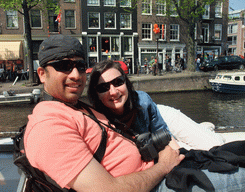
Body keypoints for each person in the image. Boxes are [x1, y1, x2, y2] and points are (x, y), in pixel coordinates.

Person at [24, 35, 245, 192]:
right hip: (157, 183)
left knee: (233, 153)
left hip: (161, 171)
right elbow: (107, 190)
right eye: (63, 66)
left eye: (80, 66)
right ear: (42, 74)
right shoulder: (48, 125)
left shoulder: (78, 107)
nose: (75, 74)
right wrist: (163, 166)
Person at [88, 59, 225, 150]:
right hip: (151, 137)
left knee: (215, 145)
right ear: (96, 95)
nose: (113, 92)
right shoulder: (97, 120)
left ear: (126, 83)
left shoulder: (143, 101)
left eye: (118, 82)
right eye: (103, 88)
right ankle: (199, 128)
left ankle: (203, 130)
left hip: (161, 116)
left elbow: (164, 135)